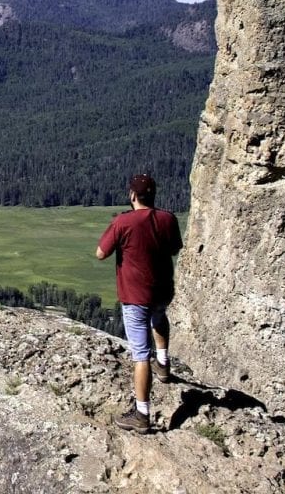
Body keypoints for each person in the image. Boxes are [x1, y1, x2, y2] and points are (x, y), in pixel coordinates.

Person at [95, 173, 183, 434]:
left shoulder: (122, 222)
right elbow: (175, 249)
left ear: (132, 195)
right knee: (159, 317)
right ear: (153, 195)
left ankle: (142, 414)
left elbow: (100, 254)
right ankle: (164, 365)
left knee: (140, 355)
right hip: (162, 289)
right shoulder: (168, 218)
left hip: (135, 295)